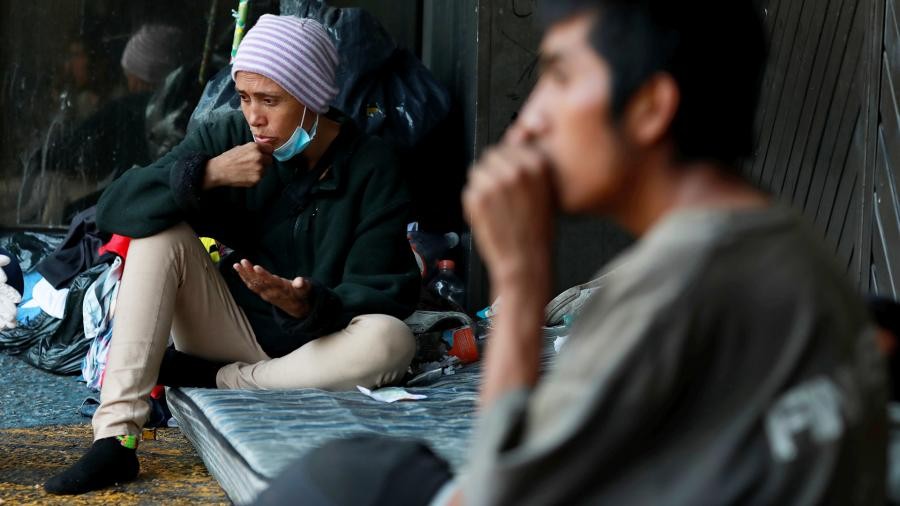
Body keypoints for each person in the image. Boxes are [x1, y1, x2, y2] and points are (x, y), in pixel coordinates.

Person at [250, 1, 887, 505]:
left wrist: (524, 281)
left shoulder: (668, 295)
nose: (530, 119)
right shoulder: (790, 245)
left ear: (649, 108)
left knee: (336, 482)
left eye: (559, 75)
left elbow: (496, 494)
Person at [44, 15, 419, 495]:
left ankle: (223, 380)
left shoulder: (373, 166)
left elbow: (385, 288)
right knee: (158, 232)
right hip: (228, 327)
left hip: (318, 348)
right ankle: (116, 439)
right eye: (244, 97)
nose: (253, 116)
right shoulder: (225, 138)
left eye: (270, 100)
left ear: (312, 99)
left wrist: (307, 303)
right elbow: (116, 210)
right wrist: (204, 175)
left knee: (391, 339)